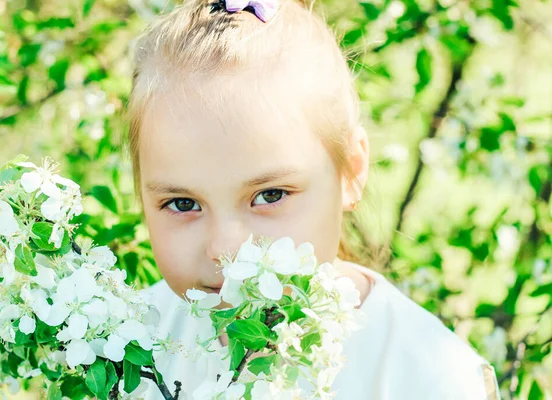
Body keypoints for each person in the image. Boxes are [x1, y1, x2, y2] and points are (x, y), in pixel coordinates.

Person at [124, 0, 501, 398]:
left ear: (350, 173)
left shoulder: (427, 377)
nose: (225, 250)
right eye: (183, 203)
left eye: (269, 195)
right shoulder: (127, 343)